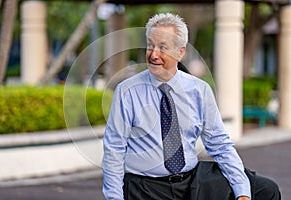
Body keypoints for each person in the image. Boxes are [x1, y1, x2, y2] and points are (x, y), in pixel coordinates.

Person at [102, 13, 281, 200]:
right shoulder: (127, 91)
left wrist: (242, 192)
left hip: (191, 182)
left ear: (180, 51)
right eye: (150, 45)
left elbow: (220, 144)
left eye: (162, 47)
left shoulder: (199, 90)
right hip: (144, 187)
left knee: (265, 190)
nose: (154, 54)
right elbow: (114, 150)